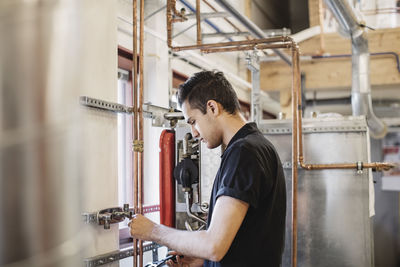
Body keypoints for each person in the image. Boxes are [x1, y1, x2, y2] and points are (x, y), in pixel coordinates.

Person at [130, 71, 286, 267]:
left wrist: (152, 231)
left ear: (212, 107)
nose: (194, 133)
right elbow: (248, 237)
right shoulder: (256, 146)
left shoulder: (244, 152)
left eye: (193, 121)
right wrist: (205, 261)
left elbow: (214, 245)